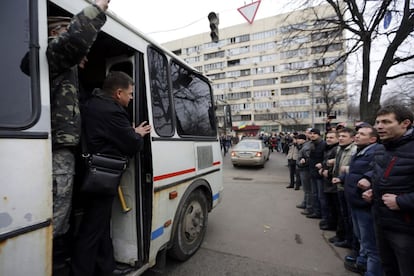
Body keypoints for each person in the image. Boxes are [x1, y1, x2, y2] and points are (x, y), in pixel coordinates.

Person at [46, 0, 110, 265]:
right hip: (57, 151)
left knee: (63, 216)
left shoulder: (69, 74)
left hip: (68, 151)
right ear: (55, 34)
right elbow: (77, 40)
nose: (84, 58)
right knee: (56, 218)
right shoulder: (54, 56)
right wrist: (96, 8)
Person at [71, 71, 152, 275]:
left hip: (88, 174)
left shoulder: (92, 103)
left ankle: (106, 267)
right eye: (130, 93)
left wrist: (128, 132)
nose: (131, 97)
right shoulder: (112, 111)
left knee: (99, 225)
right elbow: (132, 145)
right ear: (118, 93)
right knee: (91, 230)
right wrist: (137, 134)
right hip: (101, 177)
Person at [360, 104, 414, 276]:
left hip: (406, 228)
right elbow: (382, 177)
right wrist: (372, 191)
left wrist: (401, 201)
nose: (379, 127)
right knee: (389, 268)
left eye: (386, 122)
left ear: (405, 123)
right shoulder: (382, 148)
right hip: (382, 222)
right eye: (377, 122)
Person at [344, 125, 383, 275]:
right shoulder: (361, 150)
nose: (357, 136)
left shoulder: (376, 151)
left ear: (372, 139)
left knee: (369, 241)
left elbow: (378, 170)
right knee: (361, 236)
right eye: (357, 133)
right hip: (355, 200)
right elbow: (354, 171)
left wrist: (368, 179)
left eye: (361, 134)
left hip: (364, 202)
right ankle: (361, 261)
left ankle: (371, 270)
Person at [331, 127, 357, 249]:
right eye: (340, 136)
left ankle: (349, 240)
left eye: (344, 136)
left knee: (348, 216)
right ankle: (343, 237)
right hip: (339, 185)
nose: (340, 138)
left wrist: (342, 178)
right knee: (343, 214)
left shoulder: (354, 150)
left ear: (352, 138)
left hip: (346, 186)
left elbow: (353, 169)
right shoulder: (340, 149)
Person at [317, 130, 339, 231]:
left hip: (333, 182)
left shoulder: (336, 149)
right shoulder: (329, 148)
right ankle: (329, 222)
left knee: (333, 206)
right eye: (327, 138)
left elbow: (336, 165)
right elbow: (327, 162)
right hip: (327, 181)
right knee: (328, 204)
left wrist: (326, 168)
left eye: (331, 138)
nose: (328, 140)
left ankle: (332, 224)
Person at [307, 128, 326, 220]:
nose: (312, 135)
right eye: (311, 133)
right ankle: (316, 211)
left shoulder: (323, 144)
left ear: (319, 135)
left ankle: (322, 214)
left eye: (315, 133)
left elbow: (326, 157)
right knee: (314, 194)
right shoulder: (312, 144)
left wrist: (322, 165)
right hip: (312, 172)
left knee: (321, 196)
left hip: (320, 174)